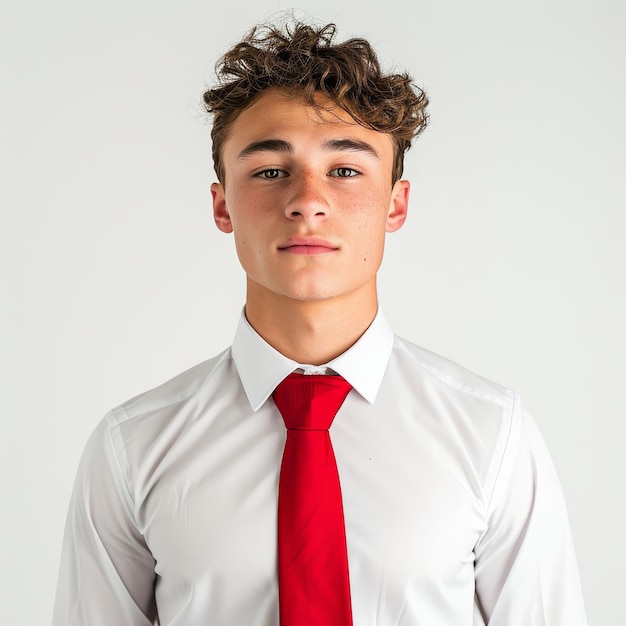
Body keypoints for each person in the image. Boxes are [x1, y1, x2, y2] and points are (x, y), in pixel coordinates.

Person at [52, 20, 587, 626]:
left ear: (396, 203)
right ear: (222, 203)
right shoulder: (133, 448)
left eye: (346, 170)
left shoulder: (494, 435)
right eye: (270, 171)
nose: (308, 200)